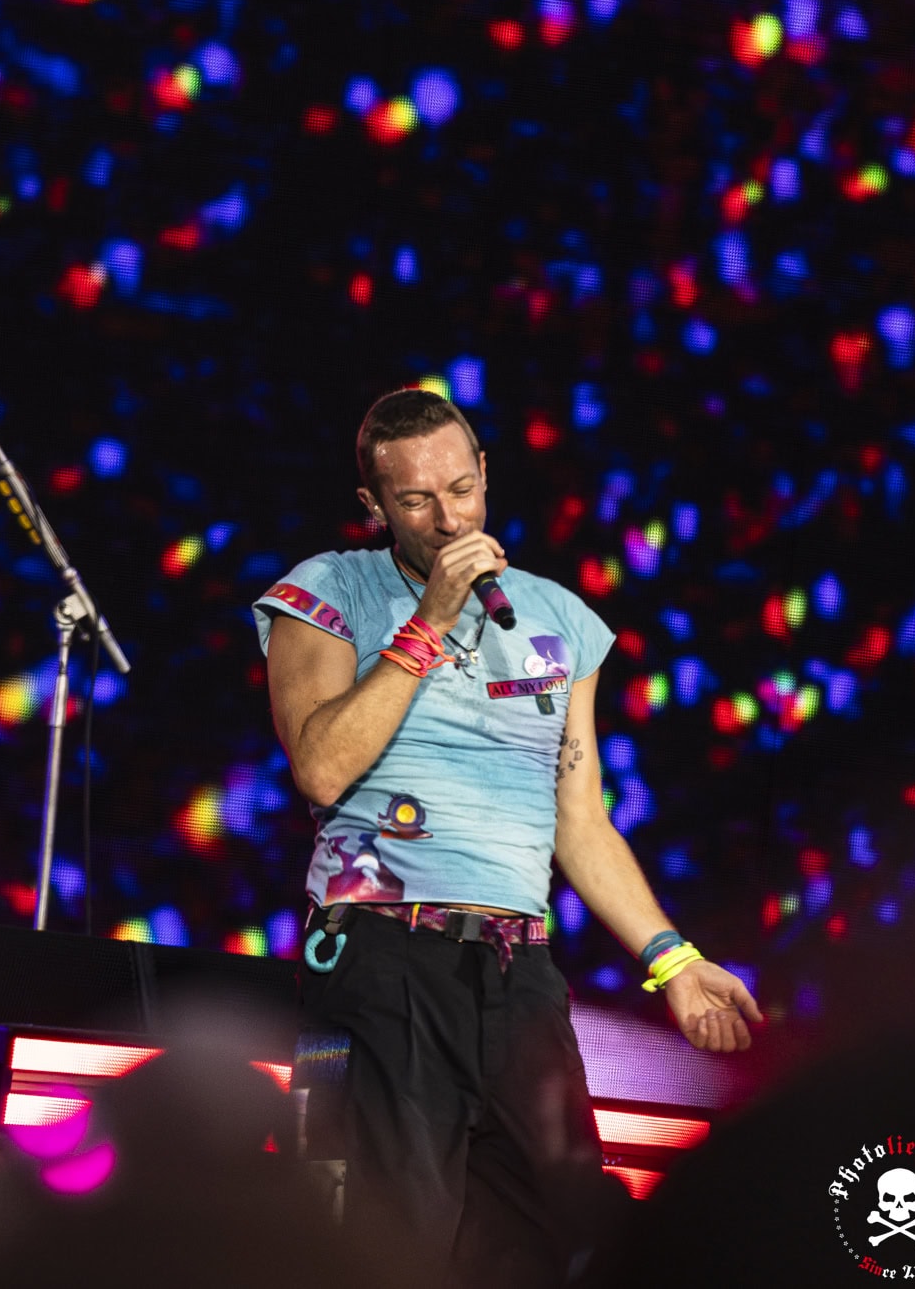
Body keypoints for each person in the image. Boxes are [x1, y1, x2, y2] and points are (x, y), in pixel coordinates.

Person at [253, 388, 763, 1286]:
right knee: (382, 1245)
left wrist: (674, 960)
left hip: (518, 970)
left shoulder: (559, 619)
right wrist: (429, 622)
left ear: (486, 473)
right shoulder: (329, 590)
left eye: (461, 489)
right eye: (417, 500)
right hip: (381, 957)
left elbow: (581, 819)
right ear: (374, 505)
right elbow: (322, 767)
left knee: (552, 1239)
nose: (449, 518)